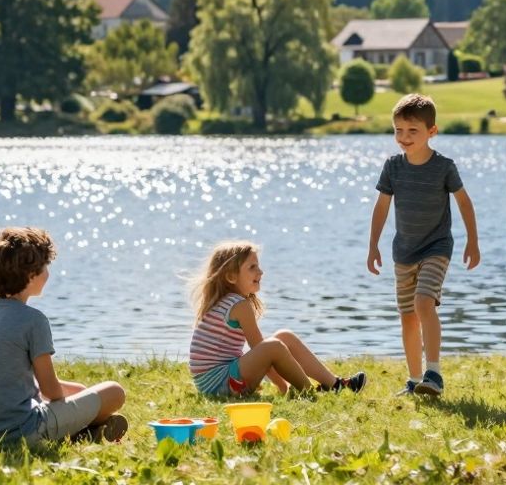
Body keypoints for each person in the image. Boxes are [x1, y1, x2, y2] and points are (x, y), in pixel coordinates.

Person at [0, 227, 127, 445]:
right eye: (45, 267)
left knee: (82, 392)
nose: (48, 273)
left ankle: (87, 429)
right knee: (114, 391)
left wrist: (80, 392)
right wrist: (78, 399)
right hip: (20, 432)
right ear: (31, 275)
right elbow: (51, 390)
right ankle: (89, 428)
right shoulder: (33, 320)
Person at [367, 93, 480, 396]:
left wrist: (473, 241)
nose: (404, 138)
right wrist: (373, 246)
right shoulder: (393, 167)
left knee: (423, 303)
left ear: (432, 132)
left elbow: (464, 203)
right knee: (407, 317)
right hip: (403, 251)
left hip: (436, 247)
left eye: (412, 131)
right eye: (398, 130)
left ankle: (434, 373)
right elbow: (381, 207)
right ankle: (415, 380)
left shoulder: (443, 167)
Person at [188, 241, 365, 396]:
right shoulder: (239, 306)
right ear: (231, 277)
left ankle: (335, 384)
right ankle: (308, 392)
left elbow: (254, 352)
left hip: (215, 380)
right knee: (273, 346)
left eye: (258, 266)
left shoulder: (227, 302)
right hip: (218, 383)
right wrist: (282, 386)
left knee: (284, 336)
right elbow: (261, 349)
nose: (261, 271)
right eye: (252, 267)